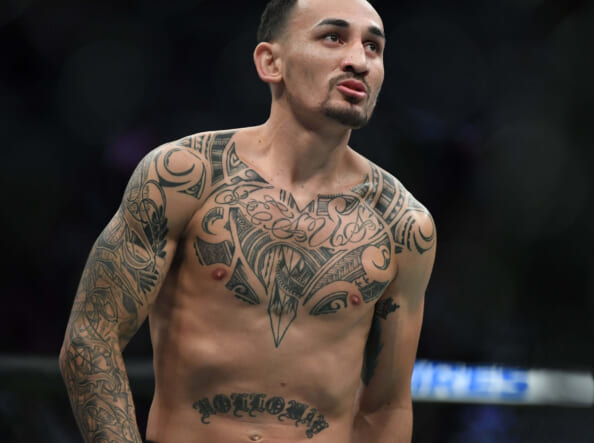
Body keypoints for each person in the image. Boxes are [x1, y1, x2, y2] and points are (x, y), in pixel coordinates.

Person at [58, 0, 436, 441]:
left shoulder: (403, 225)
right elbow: (91, 338)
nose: (359, 60)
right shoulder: (186, 176)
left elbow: (387, 405)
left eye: (373, 46)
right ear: (271, 62)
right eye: (333, 37)